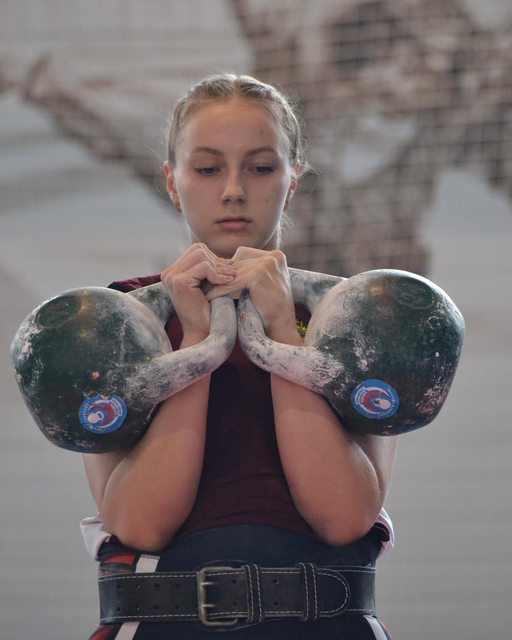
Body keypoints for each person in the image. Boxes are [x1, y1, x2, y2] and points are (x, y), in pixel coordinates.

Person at [82, 73, 398, 639]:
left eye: (260, 167)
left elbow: (343, 517)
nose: (233, 190)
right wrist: (198, 343)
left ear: (292, 179)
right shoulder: (119, 319)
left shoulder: (352, 316)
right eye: (207, 169)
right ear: (172, 181)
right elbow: (142, 525)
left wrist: (280, 330)